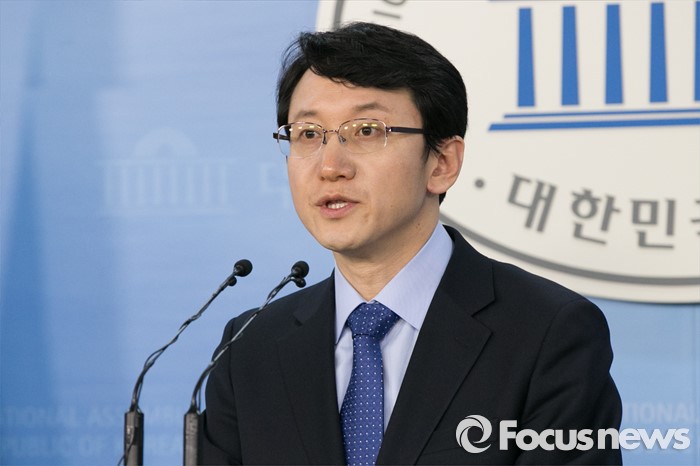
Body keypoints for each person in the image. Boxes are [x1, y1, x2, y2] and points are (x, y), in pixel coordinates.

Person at [201, 22, 622, 465]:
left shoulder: (547, 333)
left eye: (366, 130)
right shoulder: (248, 349)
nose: (330, 166)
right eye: (308, 134)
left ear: (442, 163)